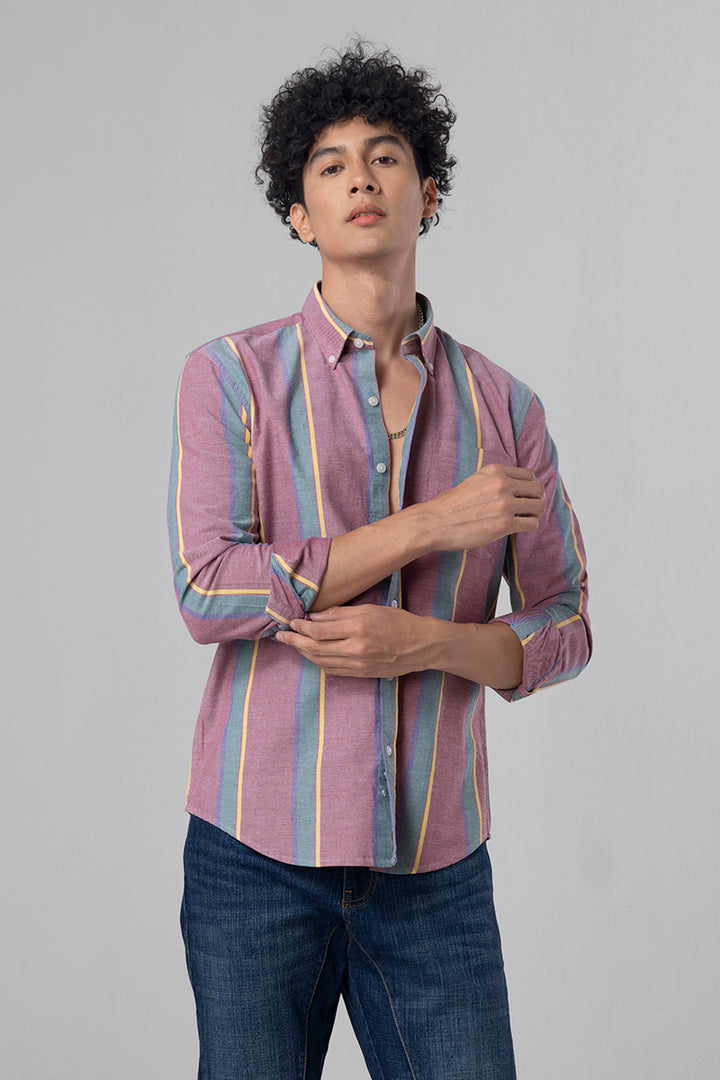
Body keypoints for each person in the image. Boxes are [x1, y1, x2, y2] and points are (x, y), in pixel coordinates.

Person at [168, 41, 591, 1080]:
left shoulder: (506, 408)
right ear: (300, 215)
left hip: (436, 871)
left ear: (428, 194)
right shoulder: (229, 377)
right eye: (331, 164)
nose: (361, 177)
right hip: (255, 860)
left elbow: (567, 621)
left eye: (386, 156)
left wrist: (429, 644)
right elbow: (207, 589)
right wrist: (427, 526)